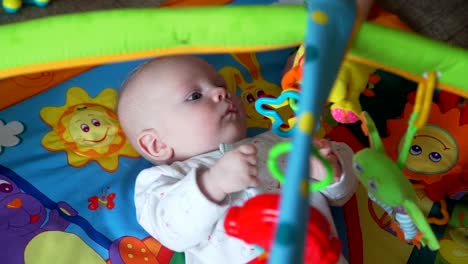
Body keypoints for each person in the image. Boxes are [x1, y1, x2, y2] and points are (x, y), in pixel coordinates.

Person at [117, 55, 358, 264]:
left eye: (220, 85)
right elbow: (172, 232)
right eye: (194, 96)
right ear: (156, 144)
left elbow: (344, 192)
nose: (221, 92)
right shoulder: (162, 181)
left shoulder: (281, 141)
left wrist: (331, 170)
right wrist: (213, 184)